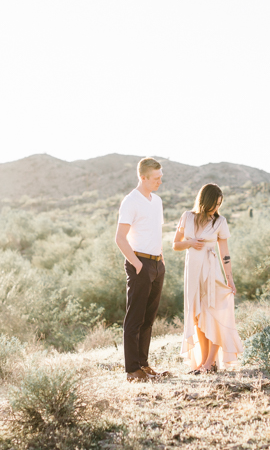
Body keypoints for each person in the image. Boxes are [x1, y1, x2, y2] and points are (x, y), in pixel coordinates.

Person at [173, 183, 243, 373]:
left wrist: (230, 278)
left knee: (213, 315)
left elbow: (225, 253)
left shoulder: (219, 222)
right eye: (214, 204)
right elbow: (175, 245)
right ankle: (204, 362)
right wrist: (190, 242)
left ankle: (210, 362)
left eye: (219, 205)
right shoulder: (187, 217)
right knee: (197, 316)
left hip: (212, 273)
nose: (216, 208)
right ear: (205, 201)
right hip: (193, 272)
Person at [115, 157, 166, 382]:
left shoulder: (157, 201)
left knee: (149, 318)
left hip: (157, 263)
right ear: (142, 177)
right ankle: (132, 369)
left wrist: (161, 259)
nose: (159, 181)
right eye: (156, 178)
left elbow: (155, 231)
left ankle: (143, 365)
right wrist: (137, 264)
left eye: (161, 177)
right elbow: (119, 238)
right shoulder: (131, 201)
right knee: (134, 318)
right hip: (140, 264)